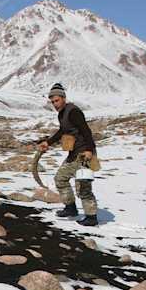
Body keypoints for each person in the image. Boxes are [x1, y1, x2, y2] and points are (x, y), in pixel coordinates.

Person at [37, 83, 100, 226]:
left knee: (83, 187)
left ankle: (91, 217)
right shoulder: (62, 114)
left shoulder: (73, 112)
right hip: (74, 153)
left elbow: (86, 130)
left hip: (84, 154)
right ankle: (71, 208)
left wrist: (89, 150)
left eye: (57, 100)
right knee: (60, 179)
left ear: (63, 98)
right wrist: (48, 142)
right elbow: (62, 131)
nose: (55, 104)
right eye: (52, 101)